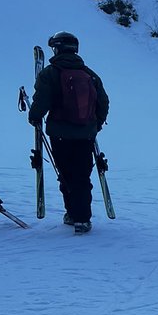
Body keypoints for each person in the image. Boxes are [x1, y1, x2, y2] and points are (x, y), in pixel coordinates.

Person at [27, 32, 109, 234]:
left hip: (60, 133)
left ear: (57, 48)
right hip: (85, 135)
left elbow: (42, 100)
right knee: (82, 175)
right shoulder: (90, 74)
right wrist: (94, 125)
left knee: (65, 173)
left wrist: (34, 117)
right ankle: (83, 217)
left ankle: (72, 213)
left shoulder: (50, 73)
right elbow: (103, 102)